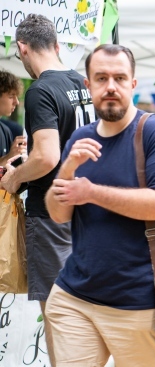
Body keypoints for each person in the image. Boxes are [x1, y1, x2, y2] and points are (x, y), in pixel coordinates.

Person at [44, 44, 155, 366]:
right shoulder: (80, 137)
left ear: (133, 84)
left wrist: (91, 192)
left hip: (138, 304)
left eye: (120, 78)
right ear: (88, 85)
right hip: (74, 298)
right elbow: (57, 213)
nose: (111, 86)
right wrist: (68, 168)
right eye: (102, 78)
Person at [0, 14, 95, 365]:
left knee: (58, 314)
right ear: (56, 45)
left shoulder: (40, 90)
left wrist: (14, 178)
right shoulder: (82, 82)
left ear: (22, 48)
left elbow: (46, 156)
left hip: (52, 214)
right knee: (83, 311)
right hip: (86, 211)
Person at [0, 69, 26, 166]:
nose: (17, 102)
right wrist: (9, 156)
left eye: (17, 97)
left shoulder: (5, 130)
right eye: (11, 97)